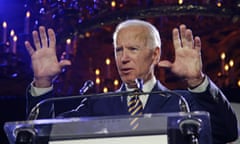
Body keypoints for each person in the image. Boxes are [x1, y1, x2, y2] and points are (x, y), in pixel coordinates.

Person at [24, 19, 238, 143]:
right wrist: (42, 83)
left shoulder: (183, 103)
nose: (123, 58)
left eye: (133, 49)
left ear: (155, 55)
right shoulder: (97, 104)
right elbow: (43, 137)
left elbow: (227, 132)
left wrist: (197, 80)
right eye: (119, 50)